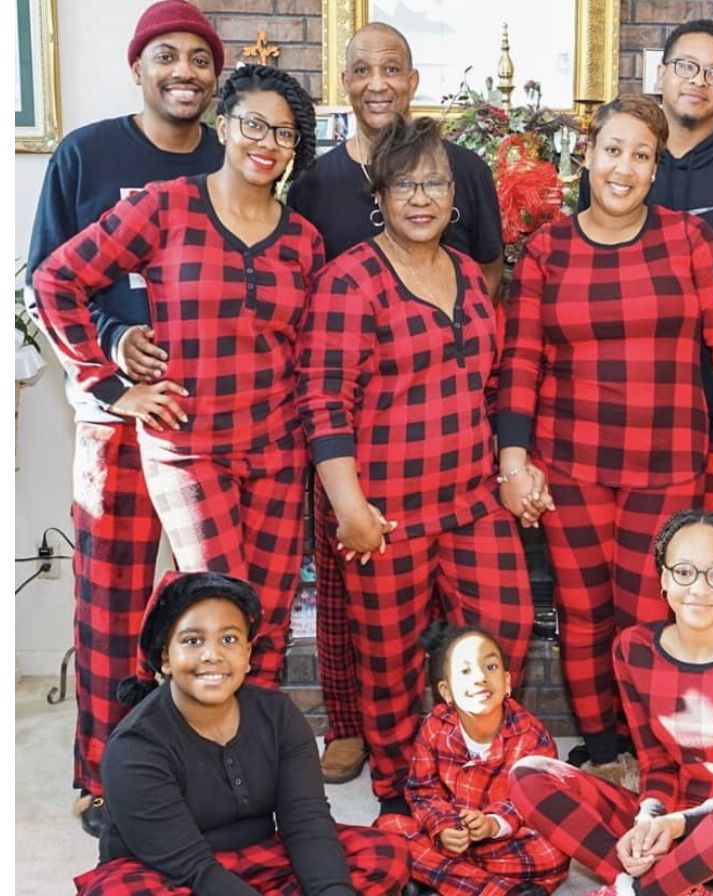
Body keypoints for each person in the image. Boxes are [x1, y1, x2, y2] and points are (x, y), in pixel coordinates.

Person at [496, 95, 713, 782]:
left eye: (641, 156)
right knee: (586, 614)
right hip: (572, 464)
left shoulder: (691, 243)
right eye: (612, 150)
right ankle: (601, 745)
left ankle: (659, 754)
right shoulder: (546, 251)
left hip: (670, 463)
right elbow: (521, 362)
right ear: (586, 156)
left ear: (656, 169)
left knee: (656, 614)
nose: (624, 168)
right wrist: (514, 463)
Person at [34, 65, 324, 694]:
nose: (266, 142)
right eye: (253, 124)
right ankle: (190, 760)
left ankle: (256, 768)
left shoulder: (303, 241)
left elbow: (306, 351)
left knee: (268, 617)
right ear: (223, 126)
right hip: (189, 448)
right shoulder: (163, 206)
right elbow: (56, 280)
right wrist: (112, 385)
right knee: (220, 614)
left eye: (283, 133)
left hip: (277, 452)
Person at [23, 0, 225, 837]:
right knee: (109, 603)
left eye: (200, 59)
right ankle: (105, 775)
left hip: (212, 423)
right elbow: (45, 279)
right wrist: (110, 365)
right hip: (117, 422)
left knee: (211, 600)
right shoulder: (87, 152)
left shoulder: (233, 151)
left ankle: (207, 770)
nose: (185, 71)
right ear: (137, 67)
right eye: (167, 56)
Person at [296, 115, 534, 819]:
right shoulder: (351, 281)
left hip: (469, 502)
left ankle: (479, 773)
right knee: (392, 661)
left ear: (454, 194)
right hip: (386, 515)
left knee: (504, 628)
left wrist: (512, 471)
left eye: (434, 182)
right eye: (405, 185)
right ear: (381, 194)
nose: (421, 198)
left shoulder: (467, 272)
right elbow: (324, 402)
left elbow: (490, 387)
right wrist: (351, 510)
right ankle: (404, 800)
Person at [510, 509, 713, 896]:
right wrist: (650, 818)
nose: (698, 588)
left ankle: (635, 890)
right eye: (684, 571)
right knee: (528, 775)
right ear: (664, 578)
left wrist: (679, 824)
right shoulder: (633, 650)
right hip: (669, 837)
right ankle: (663, 886)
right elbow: (657, 763)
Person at [72, 571, 409, 896]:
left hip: (261, 857)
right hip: (170, 873)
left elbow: (306, 821)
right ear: (166, 658)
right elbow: (195, 870)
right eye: (192, 640)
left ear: (247, 655)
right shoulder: (134, 748)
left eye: (229, 639)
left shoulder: (278, 715)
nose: (212, 654)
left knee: (384, 851)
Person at [580, 19, 713, 520]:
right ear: (661, 73)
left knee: (709, 574)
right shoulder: (620, 170)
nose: (698, 81)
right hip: (623, 416)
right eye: (686, 66)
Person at [376, 621, 569, 896]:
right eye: (465, 671)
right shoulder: (435, 727)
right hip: (451, 837)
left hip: (502, 840)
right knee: (387, 830)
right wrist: (442, 827)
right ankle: (504, 891)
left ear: (506, 682)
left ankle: (438, 880)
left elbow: (535, 805)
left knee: (554, 852)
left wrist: (493, 824)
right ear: (446, 693)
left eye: (490, 667)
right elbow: (422, 791)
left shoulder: (531, 735)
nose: (480, 677)